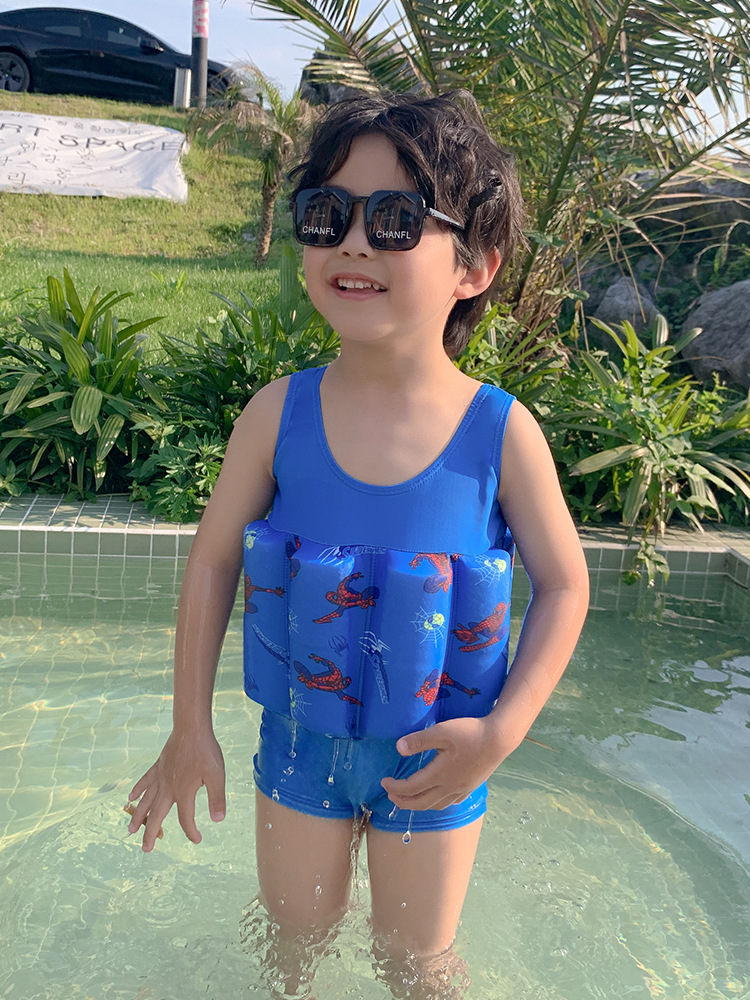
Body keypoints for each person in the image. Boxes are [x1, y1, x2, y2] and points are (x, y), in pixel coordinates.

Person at [127, 90, 589, 997]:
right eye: (327, 214)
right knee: (291, 950)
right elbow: (214, 561)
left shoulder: (500, 433)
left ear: (474, 266)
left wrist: (502, 733)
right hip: (301, 747)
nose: (353, 243)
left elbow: (565, 586)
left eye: (395, 220)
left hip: (439, 759)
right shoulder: (277, 416)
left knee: (417, 966)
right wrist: (190, 728)